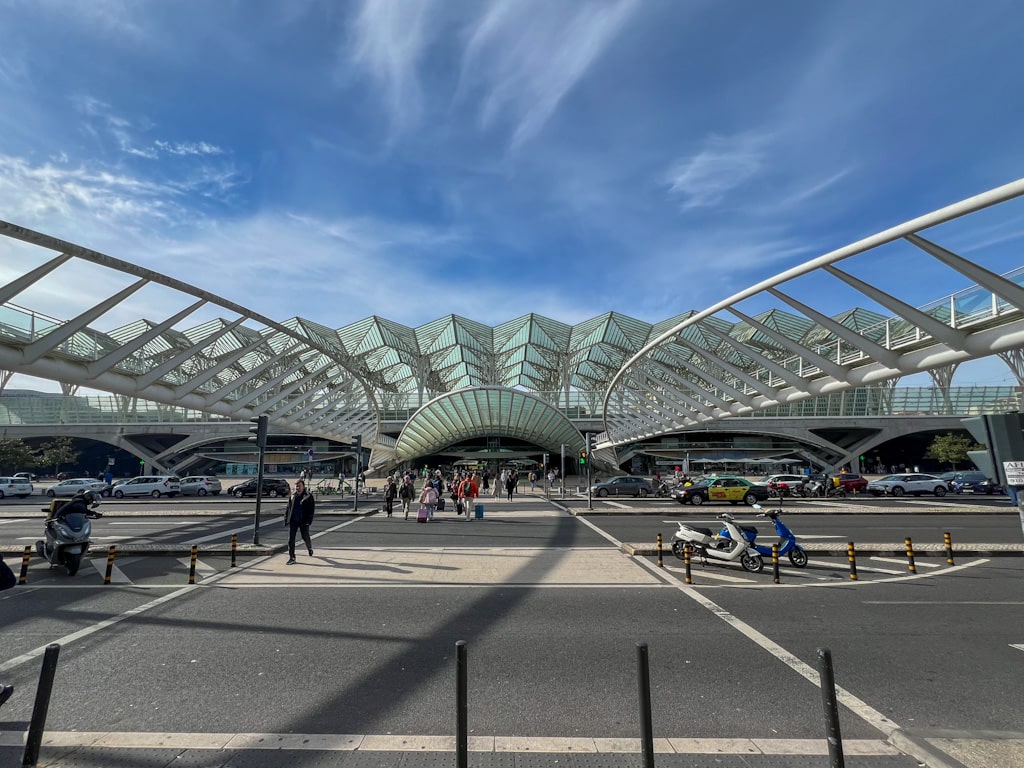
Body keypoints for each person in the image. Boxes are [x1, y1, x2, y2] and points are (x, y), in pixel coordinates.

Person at [285, 479, 315, 565]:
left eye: (299, 486)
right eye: (296, 486)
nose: (297, 488)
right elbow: (288, 507)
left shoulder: (308, 496)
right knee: (291, 539)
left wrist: (309, 521)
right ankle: (292, 557)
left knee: (305, 536)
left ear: (303, 486)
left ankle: (309, 548)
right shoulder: (293, 496)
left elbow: (311, 510)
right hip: (293, 520)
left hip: (303, 521)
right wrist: (286, 518)